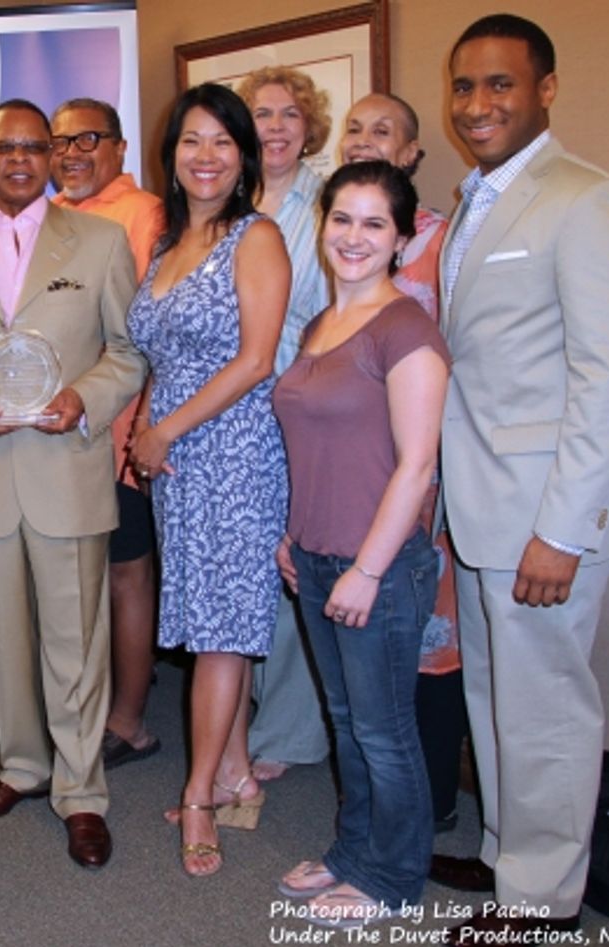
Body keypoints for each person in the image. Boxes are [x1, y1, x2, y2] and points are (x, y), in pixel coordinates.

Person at [432, 15, 609, 943]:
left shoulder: (588, 199)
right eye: (465, 88)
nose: (478, 105)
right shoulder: (475, 199)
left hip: (544, 516)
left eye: (500, 86)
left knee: (548, 711)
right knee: (496, 700)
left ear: (546, 90)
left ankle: (542, 906)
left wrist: (563, 530)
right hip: (482, 503)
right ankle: (505, 852)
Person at [0, 100, 146, 870]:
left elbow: (128, 352)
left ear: (51, 156)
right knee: (0, 637)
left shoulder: (102, 240)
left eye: (34, 147)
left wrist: (87, 397)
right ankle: (22, 766)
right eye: (4, 146)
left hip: (67, 467)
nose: (20, 159)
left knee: (76, 641)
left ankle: (81, 791)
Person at [272, 160, 449, 928]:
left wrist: (368, 570)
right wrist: (293, 533)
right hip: (316, 554)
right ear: (322, 226)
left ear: (403, 238)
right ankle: (353, 851)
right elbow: (317, 444)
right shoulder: (320, 324)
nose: (354, 236)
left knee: (385, 728)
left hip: (373, 565)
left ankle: (395, 877)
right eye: (342, 218)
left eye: (375, 223)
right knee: (348, 722)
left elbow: (417, 466)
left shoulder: (406, 327)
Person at [127, 83, 289, 877]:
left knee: (222, 631)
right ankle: (236, 772)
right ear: (174, 152)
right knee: (205, 619)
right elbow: (164, 353)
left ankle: (198, 797)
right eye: (193, 140)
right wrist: (144, 430)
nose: (206, 156)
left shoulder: (255, 237)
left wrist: (166, 427)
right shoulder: (165, 246)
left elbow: (256, 359)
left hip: (232, 453)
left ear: (243, 157)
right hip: (178, 465)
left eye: (224, 142)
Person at [338, 93, 465, 834]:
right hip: (351, 464)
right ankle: (378, 802)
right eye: (354, 127)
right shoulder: (347, 242)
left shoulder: (439, 243)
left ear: (413, 153)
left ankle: (433, 805)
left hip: (420, 468)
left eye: (382, 130)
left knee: (424, 636)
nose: (363, 139)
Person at [50, 96, 164, 770]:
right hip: (59, 434)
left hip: (116, 434)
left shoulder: (140, 215)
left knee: (126, 576)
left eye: (87, 138)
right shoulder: (54, 217)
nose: (71, 152)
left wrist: (142, 430)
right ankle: (85, 708)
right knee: (77, 578)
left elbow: (145, 335)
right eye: (59, 141)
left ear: (120, 147)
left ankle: (129, 719)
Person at [235, 65, 333, 782]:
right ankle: (248, 712)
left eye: (288, 114)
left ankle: (291, 731)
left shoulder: (327, 203)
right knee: (246, 564)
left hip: (292, 402)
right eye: (261, 114)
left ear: (309, 127)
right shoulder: (224, 202)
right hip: (226, 410)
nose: (274, 126)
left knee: (290, 556)